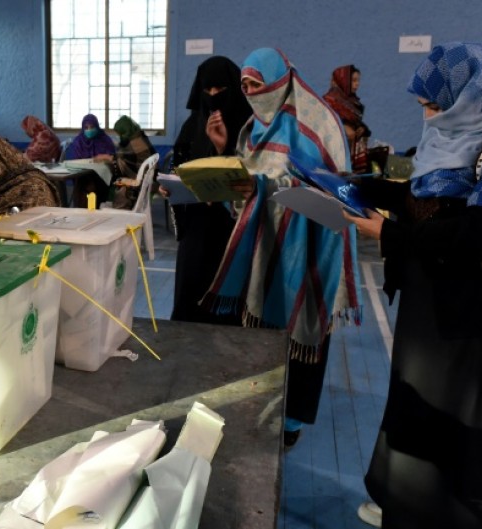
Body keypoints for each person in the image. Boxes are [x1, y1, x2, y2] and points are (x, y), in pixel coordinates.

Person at [345, 42, 482, 529]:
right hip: (430, 305)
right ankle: (406, 505)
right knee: (414, 408)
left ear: (472, 95)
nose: (430, 116)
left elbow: (481, 229)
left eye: (436, 106)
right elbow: (426, 199)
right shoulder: (453, 134)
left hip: (476, 320)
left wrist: (389, 234)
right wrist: (354, 185)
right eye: (425, 106)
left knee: (460, 428)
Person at [203, 48, 363, 446]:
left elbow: (338, 192)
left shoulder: (318, 123)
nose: (252, 93)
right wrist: (229, 169)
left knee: (301, 329)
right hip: (264, 244)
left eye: (258, 84)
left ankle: (291, 422)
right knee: (262, 333)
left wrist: (269, 186)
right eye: (246, 86)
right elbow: (243, 194)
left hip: (308, 247)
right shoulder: (252, 128)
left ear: (280, 80)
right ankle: (261, 406)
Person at [163, 55, 252, 324]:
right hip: (196, 226)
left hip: (231, 230)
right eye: (208, 90)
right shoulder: (193, 124)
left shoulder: (248, 125)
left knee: (225, 303)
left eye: (220, 89)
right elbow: (179, 164)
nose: (213, 96)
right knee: (190, 296)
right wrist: (171, 185)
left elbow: (253, 174)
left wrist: (223, 149)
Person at [323, 64, 371, 173]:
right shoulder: (330, 100)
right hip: (332, 150)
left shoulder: (354, 102)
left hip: (351, 150)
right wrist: (343, 127)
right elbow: (328, 121)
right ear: (343, 81)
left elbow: (356, 122)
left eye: (358, 80)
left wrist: (361, 129)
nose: (357, 84)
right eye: (353, 80)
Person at [104, 115, 157, 210]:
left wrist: (109, 158)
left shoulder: (137, 142)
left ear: (125, 132)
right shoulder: (139, 136)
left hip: (141, 183)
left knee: (114, 177)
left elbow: (125, 159)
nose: (119, 136)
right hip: (150, 179)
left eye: (120, 134)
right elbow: (127, 153)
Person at [69, 113, 117, 207]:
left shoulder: (105, 140)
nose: (89, 130)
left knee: (95, 187)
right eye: (86, 127)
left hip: (101, 175)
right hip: (83, 175)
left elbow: (112, 158)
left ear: (97, 126)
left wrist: (104, 157)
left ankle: (96, 208)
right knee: (84, 187)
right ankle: (83, 209)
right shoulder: (78, 141)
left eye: (92, 127)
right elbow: (76, 160)